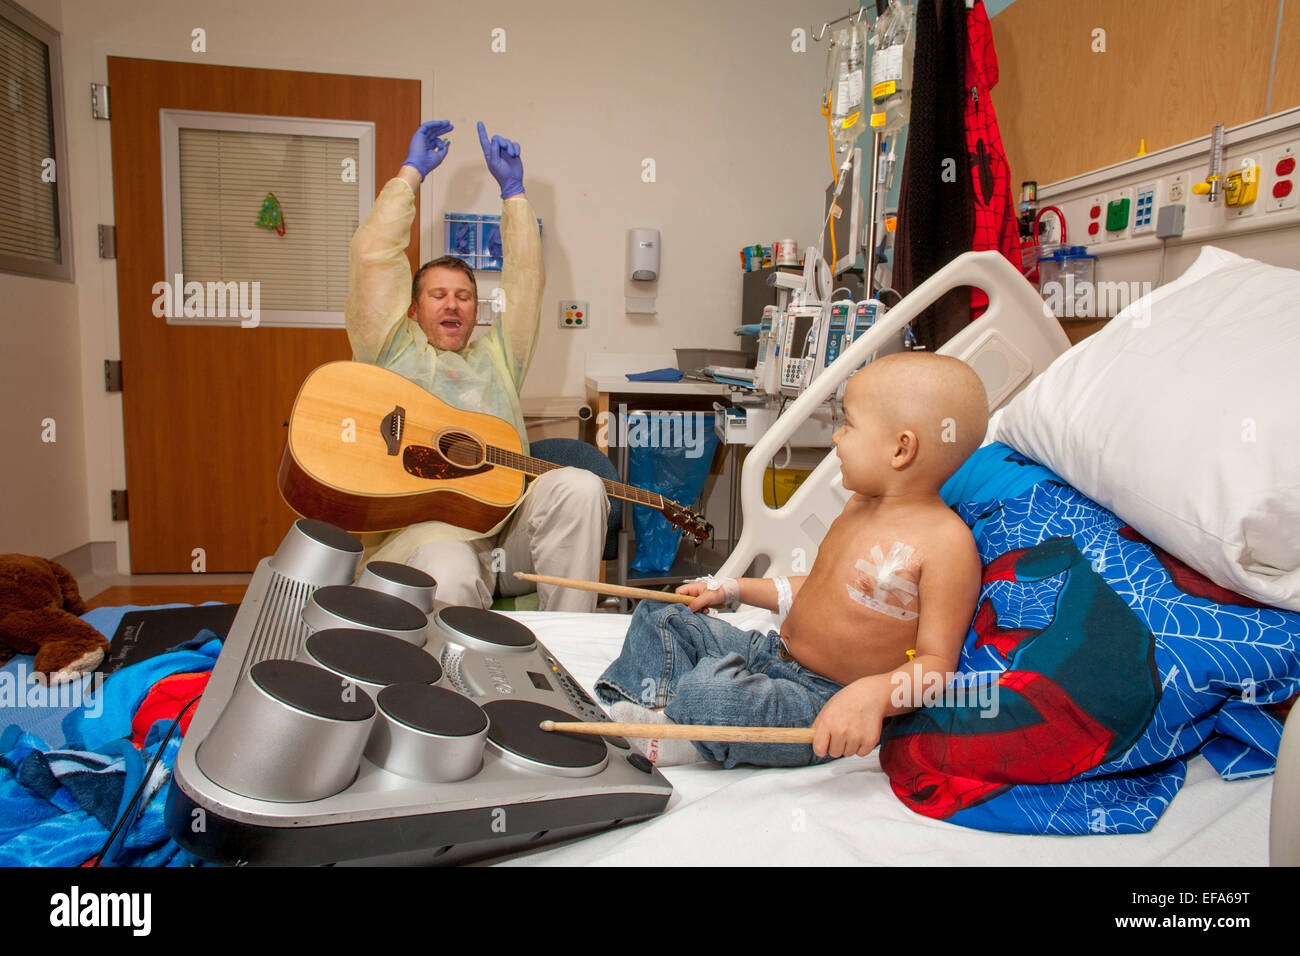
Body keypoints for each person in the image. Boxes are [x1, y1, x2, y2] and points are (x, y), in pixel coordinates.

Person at [594, 352, 988, 766]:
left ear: (901, 449)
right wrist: (733, 589)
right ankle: (646, 712)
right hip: (774, 654)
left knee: (715, 694)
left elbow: (936, 666)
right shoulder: (858, 506)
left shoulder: (946, 545)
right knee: (660, 613)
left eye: (848, 424)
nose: (836, 436)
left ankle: (675, 725)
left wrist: (872, 697)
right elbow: (817, 589)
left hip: (823, 699)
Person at [346, 120, 608, 611]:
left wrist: (514, 193)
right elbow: (372, 257)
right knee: (452, 570)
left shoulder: (497, 359)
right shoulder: (390, 352)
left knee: (580, 485)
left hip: (505, 538)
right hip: (428, 542)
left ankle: (569, 655)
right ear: (412, 308)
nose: (453, 305)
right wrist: (410, 175)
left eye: (464, 296)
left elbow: (526, 282)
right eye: (438, 295)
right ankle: (463, 683)